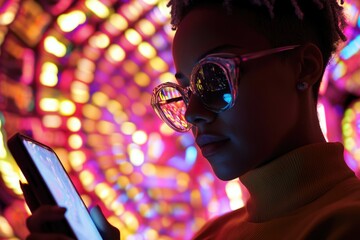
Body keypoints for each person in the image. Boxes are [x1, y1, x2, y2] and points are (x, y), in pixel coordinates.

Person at [24, 0, 360, 239]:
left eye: (213, 79)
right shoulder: (215, 233)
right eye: (184, 90)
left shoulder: (346, 223)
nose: (192, 112)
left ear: (304, 67)